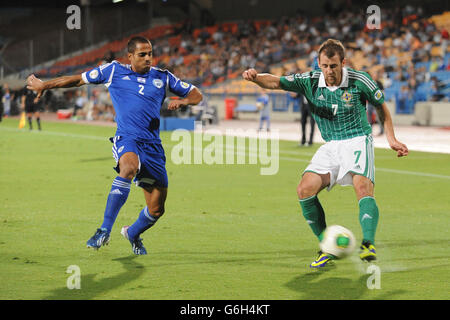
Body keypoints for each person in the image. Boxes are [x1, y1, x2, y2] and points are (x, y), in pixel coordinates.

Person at [26, 36, 203, 255]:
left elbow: (197, 94)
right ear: (130, 56)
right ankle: (104, 230)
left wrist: (184, 101)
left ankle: (133, 233)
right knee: (128, 168)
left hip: (153, 147)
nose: (148, 58)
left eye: (150, 53)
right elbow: (78, 79)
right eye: (142, 54)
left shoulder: (163, 77)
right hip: (127, 138)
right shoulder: (112, 71)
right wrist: (45, 84)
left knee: (156, 209)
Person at [242, 39, 408, 268]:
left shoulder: (360, 81)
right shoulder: (309, 81)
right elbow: (275, 82)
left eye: (334, 66)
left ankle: (368, 243)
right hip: (331, 145)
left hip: (358, 138)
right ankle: (326, 245)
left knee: (362, 187)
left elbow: (381, 108)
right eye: (325, 66)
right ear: (318, 64)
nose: (329, 71)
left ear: (343, 63)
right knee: (304, 190)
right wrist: (255, 77)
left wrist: (391, 138)